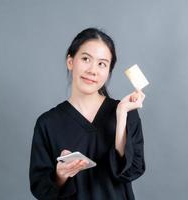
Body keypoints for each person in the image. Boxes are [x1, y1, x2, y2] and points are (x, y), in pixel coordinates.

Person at [29, 27, 146, 200]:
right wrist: (61, 174)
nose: (93, 70)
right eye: (85, 59)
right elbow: (40, 189)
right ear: (70, 61)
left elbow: (131, 170)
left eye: (102, 64)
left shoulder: (126, 112)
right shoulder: (47, 123)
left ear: (108, 72)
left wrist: (121, 116)